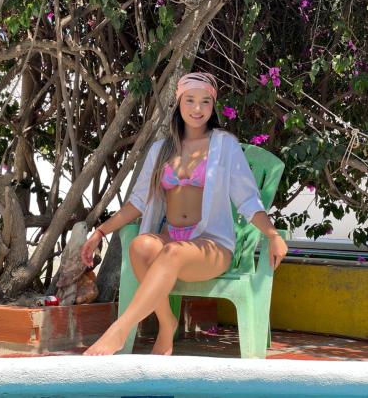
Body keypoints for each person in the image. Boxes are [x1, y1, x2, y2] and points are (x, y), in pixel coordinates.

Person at [81, 72, 288, 356]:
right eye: (190, 100)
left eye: (205, 102)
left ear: (213, 107)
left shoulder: (224, 145)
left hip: (211, 244)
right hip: (172, 238)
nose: (197, 108)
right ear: (178, 103)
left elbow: (248, 200)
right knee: (140, 246)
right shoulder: (160, 150)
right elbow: (138, 202)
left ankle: (119, 331)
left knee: (173, 253)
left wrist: (273, 234)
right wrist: (100, 232)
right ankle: (167, 324)